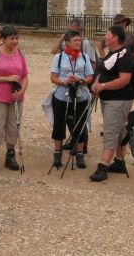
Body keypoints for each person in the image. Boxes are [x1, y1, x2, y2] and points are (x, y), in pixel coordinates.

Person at [90, 26, 134, 182]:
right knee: (118, 128)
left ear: (115, 38)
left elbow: (124, 80)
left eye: (107, 34)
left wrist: (102, 86)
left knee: (110, 130)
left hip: (119, 99)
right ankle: (119, 162)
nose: (105, 36)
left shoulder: (126, 57)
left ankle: (103, 166)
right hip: (109, 99)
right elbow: (103, 71)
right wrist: (96, 83)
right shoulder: (113, 54)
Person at [0, 26, 28, 172]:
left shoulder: (19, 53)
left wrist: (22, 91)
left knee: (13, 127)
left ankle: (10, 156)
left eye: (17, 38)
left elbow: (24, 76)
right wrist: (7, 78)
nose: (15, 41)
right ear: (3, 39)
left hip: (16, 98)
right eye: (12, 38)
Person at [50, 30, 94, 169]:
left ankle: (79, 153)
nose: (78, 43)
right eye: (75, 40)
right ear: (67, 43)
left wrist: (81, 80)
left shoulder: (85, 57)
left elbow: (90, 77)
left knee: (80, 125)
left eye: (79, 40)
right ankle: (57, 152)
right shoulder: (59, 57)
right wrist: (63, 82)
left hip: (80, 96)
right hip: (61, 95)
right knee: (59, 123)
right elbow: (53, 77)